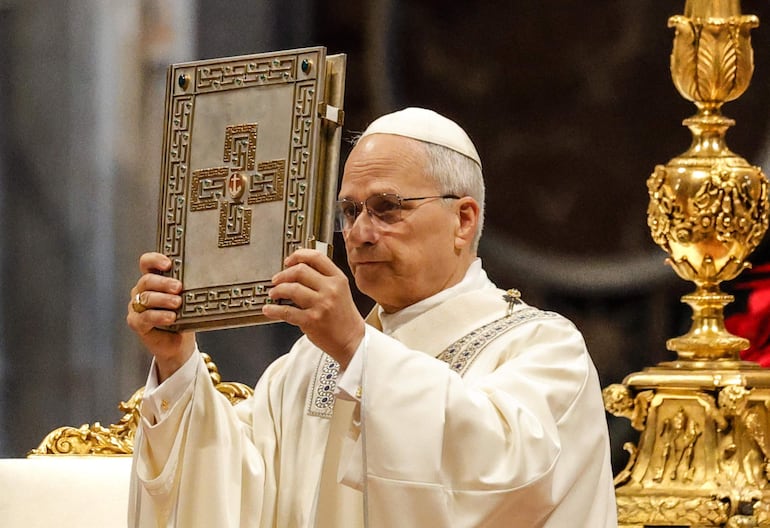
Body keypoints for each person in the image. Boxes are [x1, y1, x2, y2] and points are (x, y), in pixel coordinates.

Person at [126, 107, 617, 527]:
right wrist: (177, 362)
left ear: (463, 220)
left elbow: (500, 477)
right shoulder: (309, 363)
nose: (359, 233)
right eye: (349, 211)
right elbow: (233, 494)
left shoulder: (545, 350)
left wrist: (356, 348)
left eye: (386, 208)